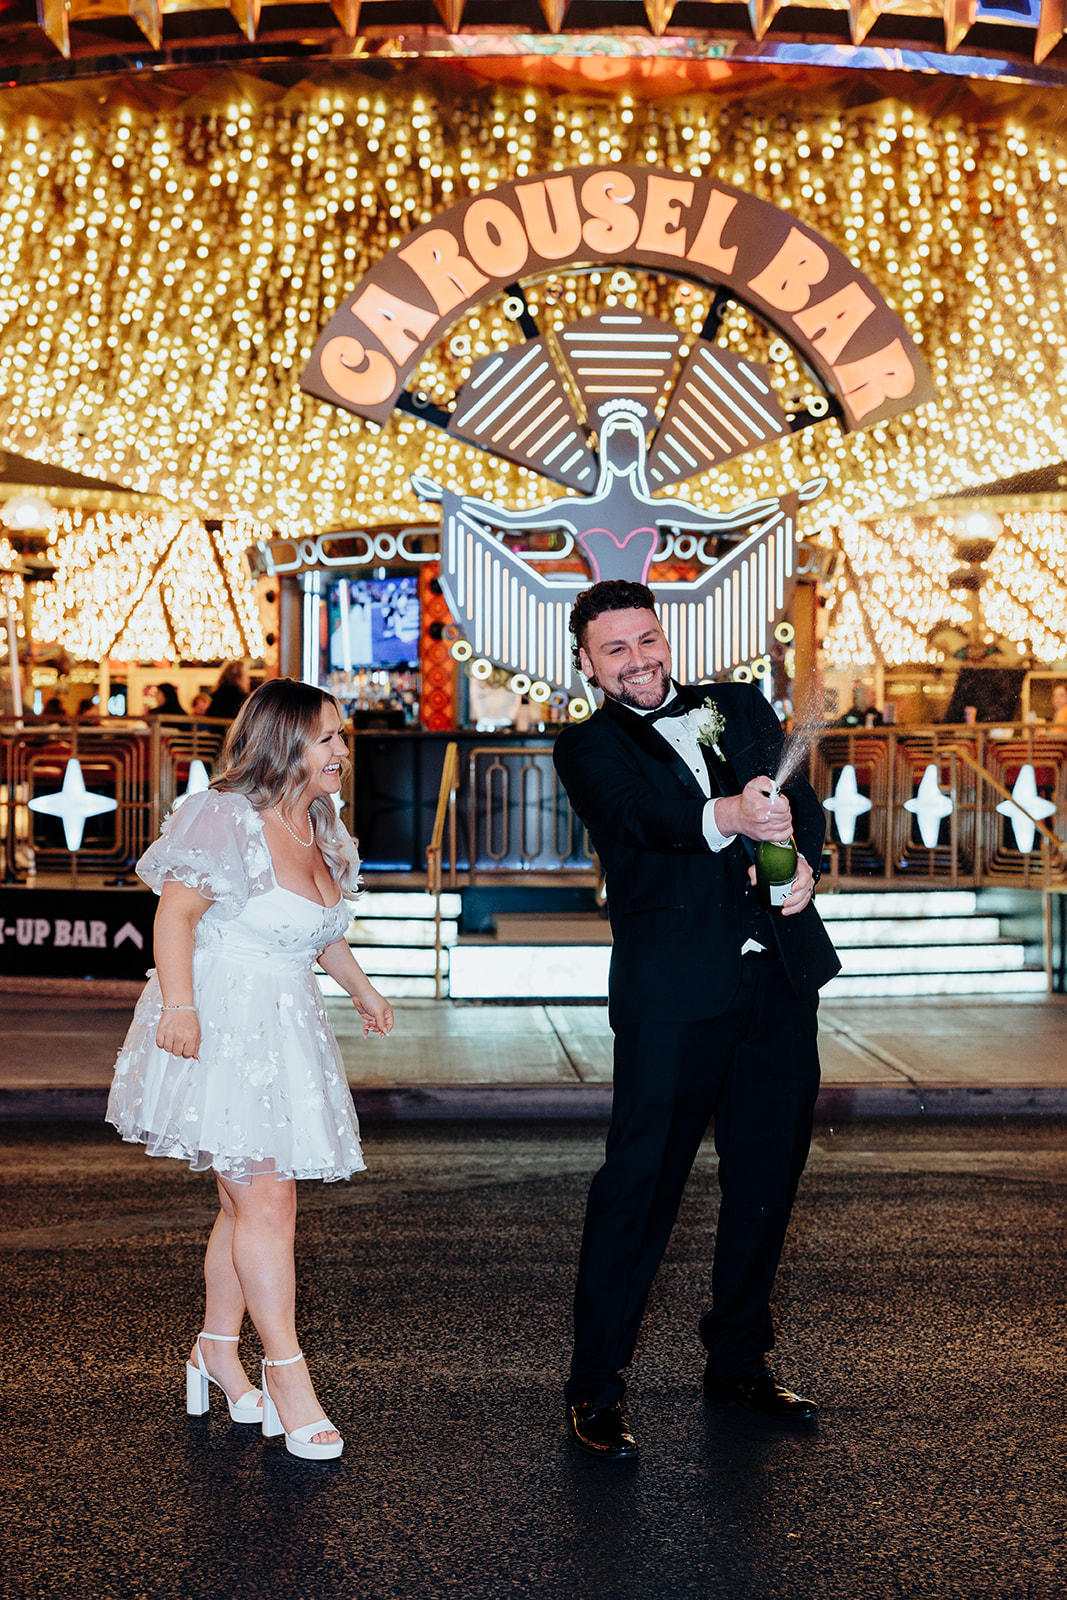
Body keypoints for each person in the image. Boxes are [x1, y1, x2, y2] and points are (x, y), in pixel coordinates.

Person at [552, 580, 840, 1461]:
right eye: (616, 650)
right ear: (587, 664)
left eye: (646, 640)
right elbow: (639, 818)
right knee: (638, 1192)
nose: (638, 660)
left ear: (663, 636)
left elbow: (802, 806)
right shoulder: (585, 746)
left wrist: (806, 869)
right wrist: (726, 815)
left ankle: (739, 1362)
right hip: (673, 1000)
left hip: (776, 990)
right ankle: (595, 1387)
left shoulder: (738, 705)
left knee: (764, 1183)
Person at [106, 678, 393, 1461]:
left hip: (289, 1032)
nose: (340, 750)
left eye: (341, 737)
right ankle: (288, 1376)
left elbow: (317, 932)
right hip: (222, 1029)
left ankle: (215, 1352)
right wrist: (178, 1006)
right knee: (269, 1203)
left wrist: (362, 989)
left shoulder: (320, 823)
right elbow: (173, 913)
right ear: (281, 742)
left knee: (245, 1207)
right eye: (327, 737)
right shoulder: (223, 816)